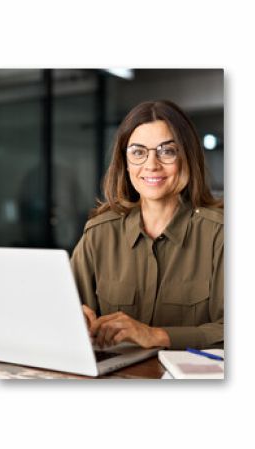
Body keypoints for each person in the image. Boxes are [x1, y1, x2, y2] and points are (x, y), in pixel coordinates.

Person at [70, 100, 223, 350]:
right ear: (125, 162)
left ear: (187, 156)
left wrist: (156, 335)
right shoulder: (99, 234)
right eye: (138, 152)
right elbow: (64, 310)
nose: (151, 165)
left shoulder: (221, 235)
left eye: (167, 151)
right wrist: (74, 319)